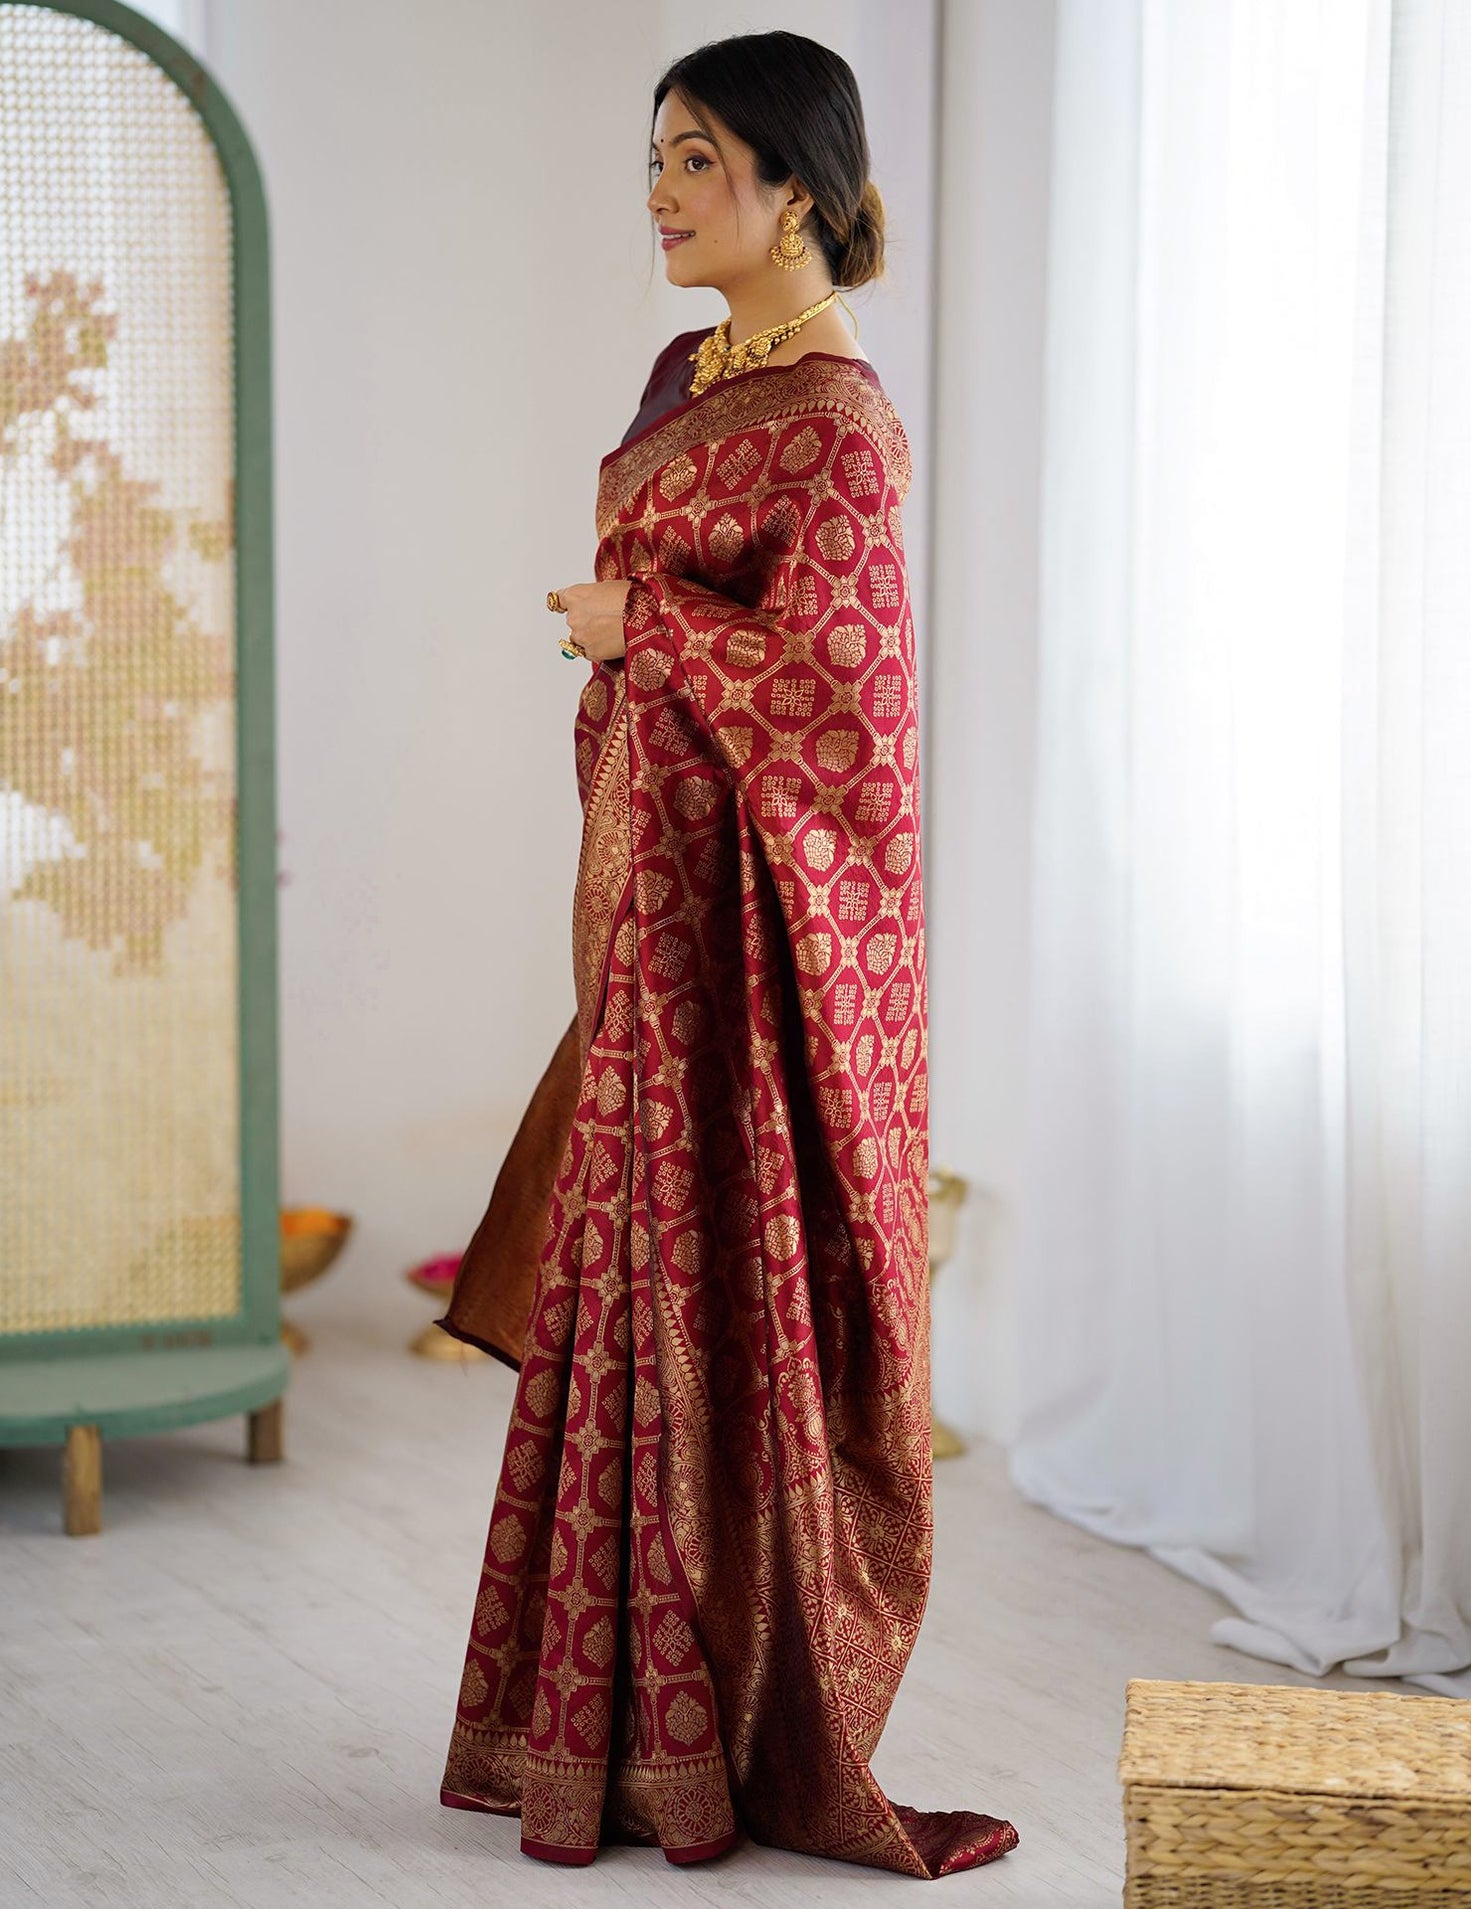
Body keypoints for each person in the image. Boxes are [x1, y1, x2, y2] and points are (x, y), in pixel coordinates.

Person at [432, 30, 1020, 1879]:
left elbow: (847, 712)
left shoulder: (840, 422)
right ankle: (600, 1744)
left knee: (721, 1310)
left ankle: (735, 1739)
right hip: (657, 921)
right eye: (656, 160)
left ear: (796, 185)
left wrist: (642, 626)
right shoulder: (694, 370)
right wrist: (640, 649)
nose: (664, 194)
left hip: (750, 969)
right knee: (625, 1313)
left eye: (697, 161)